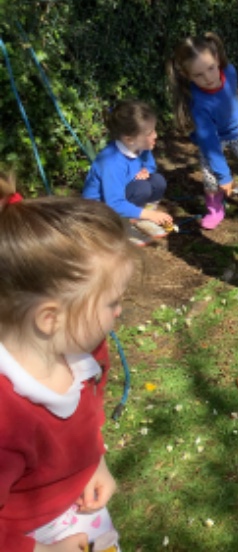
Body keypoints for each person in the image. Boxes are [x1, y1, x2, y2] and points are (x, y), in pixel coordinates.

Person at [0, 184, 135, 551]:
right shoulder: (7, 418)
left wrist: (94, 462)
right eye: (112, 302)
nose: (119, 311)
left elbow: (87, 418)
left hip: (77, 509)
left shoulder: (83, 356)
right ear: (50, 319)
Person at [167, 32, 238, 230]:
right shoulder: (198, 104)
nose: (208, 78)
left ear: (217, 59)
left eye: (211, 68)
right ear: (187, 75)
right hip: (212, 139)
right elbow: (209, 142)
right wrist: (224, 176)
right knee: (211, 177)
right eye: (198, 75)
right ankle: (215, 209)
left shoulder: (230, 72)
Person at [82, 100, 174, 246]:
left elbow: (150, 166)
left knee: (157, 181)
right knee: (143, 188)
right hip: (101, 210)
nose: (155, 135)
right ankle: (123, 226)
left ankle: (140, 219)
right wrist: (151, 214)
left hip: (125, 193)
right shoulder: (112, 163)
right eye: (149, 133)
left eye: (154, 130)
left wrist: (146, 171)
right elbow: (114, 203)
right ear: (129, 139)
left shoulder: (142, 147)